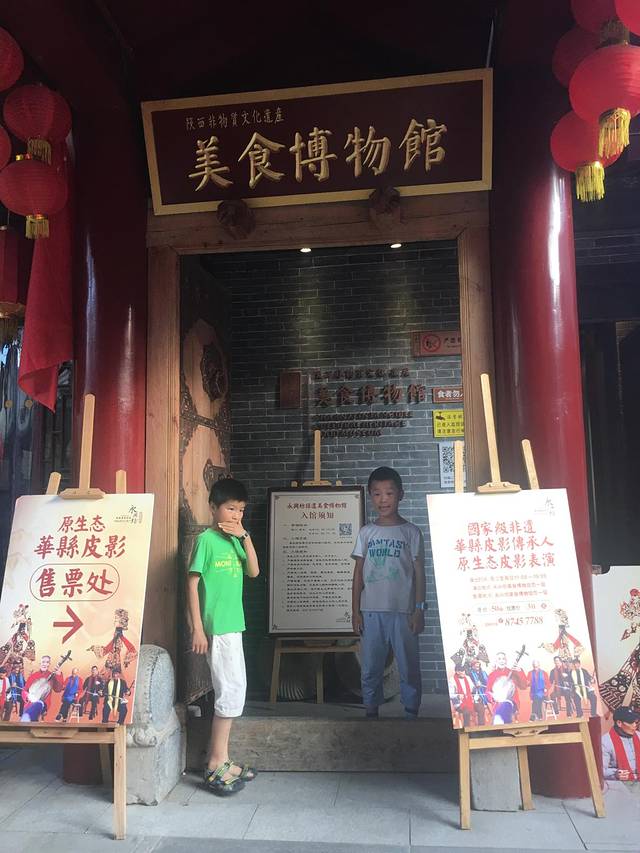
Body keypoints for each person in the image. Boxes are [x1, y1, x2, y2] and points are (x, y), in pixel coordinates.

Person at [188, 477, 260, 796]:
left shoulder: (235, 539)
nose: (236, 515)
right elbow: (192, 584)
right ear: (213, 507)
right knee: (229, 692)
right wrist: (197, 627)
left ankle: (224, 758)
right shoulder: (205, 540)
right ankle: (215, 763)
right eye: (230, 508)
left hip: (234, 625)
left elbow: (254, 571)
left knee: (234, 691)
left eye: (240, 510)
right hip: (217, 627)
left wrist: (244, 536)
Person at [351, 466, 425, 720]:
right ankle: (371, 711)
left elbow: (419, 574)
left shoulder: (411, 532)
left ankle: (411, 712)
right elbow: (358, 574)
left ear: (400, 495)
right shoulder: (366, 533)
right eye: (377, 494)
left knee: (409, 665)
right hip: (370, 611)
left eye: (389, 493)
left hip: (404, 612)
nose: (383, 499)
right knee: (371, 666)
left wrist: (419, 609)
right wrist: (355, 611)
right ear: (370, 496)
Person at [601, 706, 640, 781]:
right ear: (619, 723)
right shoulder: (605, 742)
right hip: (620, 783)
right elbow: (601, 770)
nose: (635, 725)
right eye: (630, 722)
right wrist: (615, 774)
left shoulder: (638, 735)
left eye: (635, 722)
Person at [486, 652, 527, 723]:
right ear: (496, 661)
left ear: (506, 660)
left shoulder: (513, 672)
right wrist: (493, 697)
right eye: (499, 659)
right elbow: (488, 691)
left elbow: (523, 686)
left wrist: (520, 672)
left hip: (511, 703)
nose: (501, 661)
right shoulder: (492, 675)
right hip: (498, 704)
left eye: (503, 659)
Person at [21, 655, 64, 722]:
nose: (45, 664)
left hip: (43, 704)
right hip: (30, 703)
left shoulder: (52, 676)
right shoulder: (33, 676)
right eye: (43, 662)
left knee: (33, 711)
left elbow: (58, 689)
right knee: (27, 716)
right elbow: (25, 690)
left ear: (49, 664)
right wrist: (27, 696)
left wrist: (59, 675)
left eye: (47, 662)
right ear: (40, 663)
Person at [448, 662, 474, 727]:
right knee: (467, 711)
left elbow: (473, 688)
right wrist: (457, 696)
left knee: (481, 707)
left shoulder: (468, 678)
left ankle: (481, 728)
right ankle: (467, 729)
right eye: (462, 671)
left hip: (470, 700)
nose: (464, 672)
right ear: (457, 672)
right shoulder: (452, 680)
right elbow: (449, 695)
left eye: (464, 670)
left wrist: (475, 688)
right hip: (459, 704)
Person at [468, 658, 490, 725]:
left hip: (486, 691)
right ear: (472, 666)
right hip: (476, 694)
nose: (477, 666)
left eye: (478, 665)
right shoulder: (470, 674)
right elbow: (470, 687)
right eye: (475, 665)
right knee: (480, 704)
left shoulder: (484, 673)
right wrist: (476, 686)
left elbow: (489, 682)